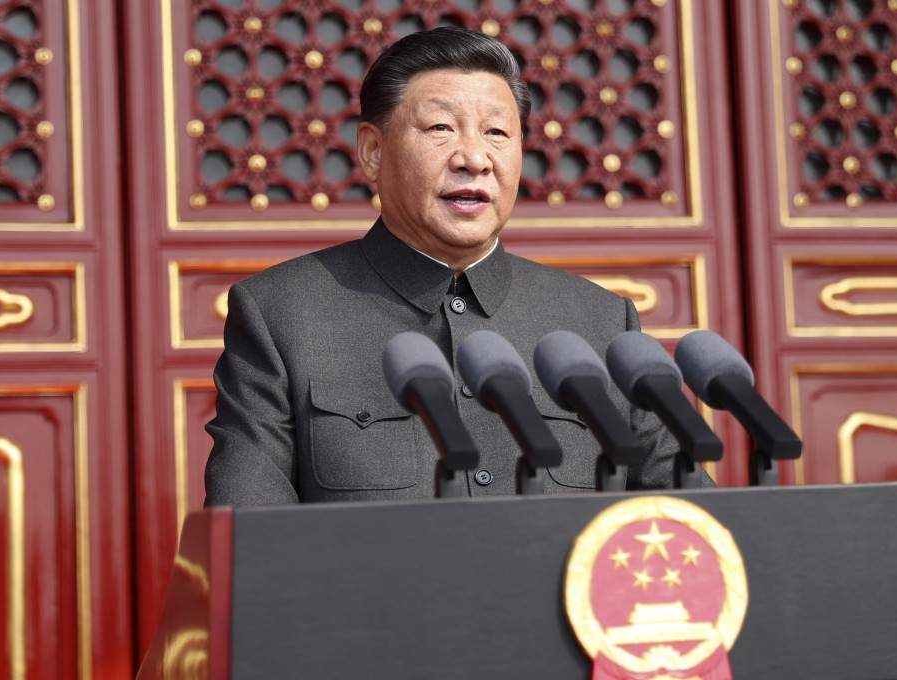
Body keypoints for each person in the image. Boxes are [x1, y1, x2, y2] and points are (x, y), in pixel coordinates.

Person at [204, 26, 707, 506]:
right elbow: (248, 533)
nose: (475, 158)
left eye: (497, 132)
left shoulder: (598, 322)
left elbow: (696, 522)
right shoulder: (283, 314)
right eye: (441, 128)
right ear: (373, 152)